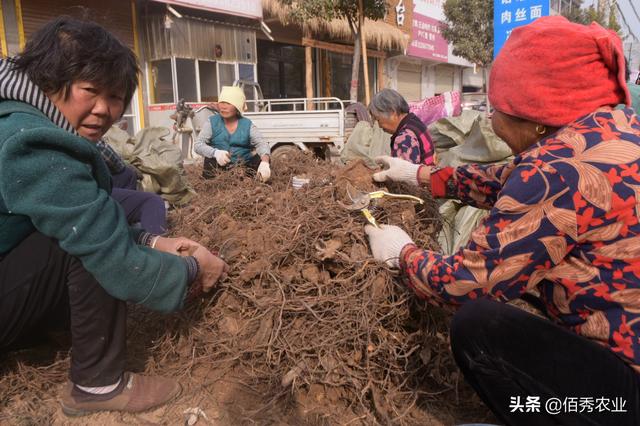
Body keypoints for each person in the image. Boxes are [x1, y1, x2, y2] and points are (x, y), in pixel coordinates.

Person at [365, 17, 640, 426]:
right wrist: (419, 175)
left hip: (623, 393)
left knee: (478, 324)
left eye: (498, 111)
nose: (492, 122)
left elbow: (466, 283)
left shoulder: (556, 172)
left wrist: (402, 254)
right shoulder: (613, 132)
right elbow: (510, 181)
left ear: (537, 119)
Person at [0, 17, 228, 416]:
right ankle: (97, 385)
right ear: (49, 81)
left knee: (79, 230)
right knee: (84, 244)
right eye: (89, 90)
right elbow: (100, 244)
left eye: (117, 96)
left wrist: (152, 241)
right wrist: (193, 270)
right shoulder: (28, 139)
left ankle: (47, 330)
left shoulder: (21, 117)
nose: (104, 109)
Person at [194, 86, 271, 181]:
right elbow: (198, 145)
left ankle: (253, 182)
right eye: (222, 102)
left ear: (237, 106)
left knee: (262, 158)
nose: (223, 106)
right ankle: (213, 185)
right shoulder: (212, 122)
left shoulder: (247, 124)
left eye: (228, 103)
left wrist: (265, 162)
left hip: (243, 167)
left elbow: (261, 143)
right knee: (210, 160)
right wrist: (215, 153)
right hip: (218, 168)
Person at [97, 140, 168, 235]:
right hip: (86, 197)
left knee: (128, 174)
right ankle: (153, 245)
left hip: (79, 191)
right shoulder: (81, 136)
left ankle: (123, 223)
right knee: (153, 201)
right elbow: (115, 163)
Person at [368, 88, 435, 165]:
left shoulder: (403, 137)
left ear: (392, 112)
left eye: (378, 120)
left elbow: (402, 173)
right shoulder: (415, 122)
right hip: (429, 173)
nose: (379, 126)